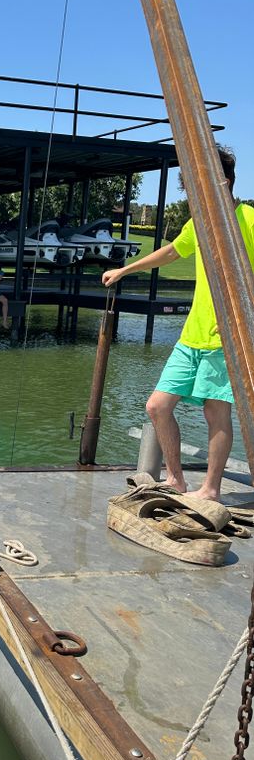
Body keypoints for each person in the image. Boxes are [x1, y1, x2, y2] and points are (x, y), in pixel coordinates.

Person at [102, 145, 254, 501]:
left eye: (199, 186)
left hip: (225, 338)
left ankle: (211, 490)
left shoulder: (248, 218)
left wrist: (242, 319)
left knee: (215, 412)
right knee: (156, 405)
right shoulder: (198, 222)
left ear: (224, 182)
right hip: (192, 335)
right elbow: (172, 252)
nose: (193, 196)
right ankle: (176, 480)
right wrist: (126, 269)